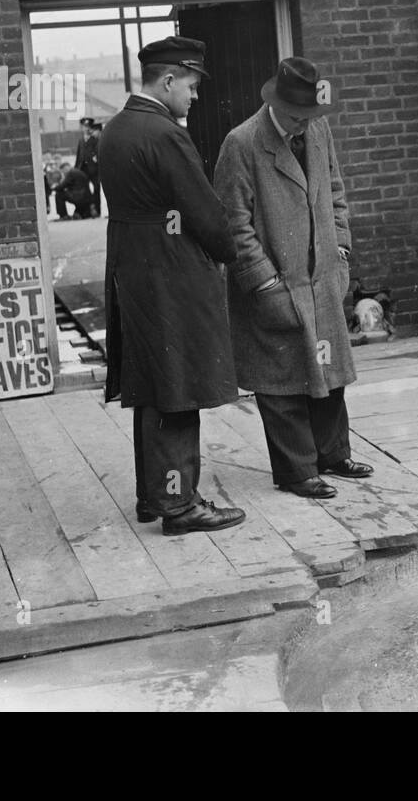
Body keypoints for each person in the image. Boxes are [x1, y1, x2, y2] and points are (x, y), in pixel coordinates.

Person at [99, 35, 245, 535]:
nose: (195, 95)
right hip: (170, 270)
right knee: (178, 385)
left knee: (152, 384)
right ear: (167, 80)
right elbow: (204, 213)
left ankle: (154, 496)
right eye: (191, 84)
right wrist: (229, 251)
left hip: (132, 267)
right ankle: (180, 506)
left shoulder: (115, 129)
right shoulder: (165, 134)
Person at [214, 56, 373, 499]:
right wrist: (264, 284)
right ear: (277, 105)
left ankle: (333, 454)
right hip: (275, 284)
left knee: (329, 371)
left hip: (322, 278)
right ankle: (296, 471)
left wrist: (340, 251)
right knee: (281, 380)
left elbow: (336, 192)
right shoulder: (242, 143)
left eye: (310, 117)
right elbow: (234, 224)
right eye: (297, 118)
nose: (304, 126)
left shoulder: (318, 130)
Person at [75, 117, 102, 216]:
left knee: (96, 188)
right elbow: (79, 155)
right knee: (84, 189)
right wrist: (76, 168)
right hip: (83, 168)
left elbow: (98, 152)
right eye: (84, 126)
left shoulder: (95, 138)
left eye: (88, 126)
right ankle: (87, 211)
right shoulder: (81, 139)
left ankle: (97, 211)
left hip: (94, 168)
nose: (86, 129)